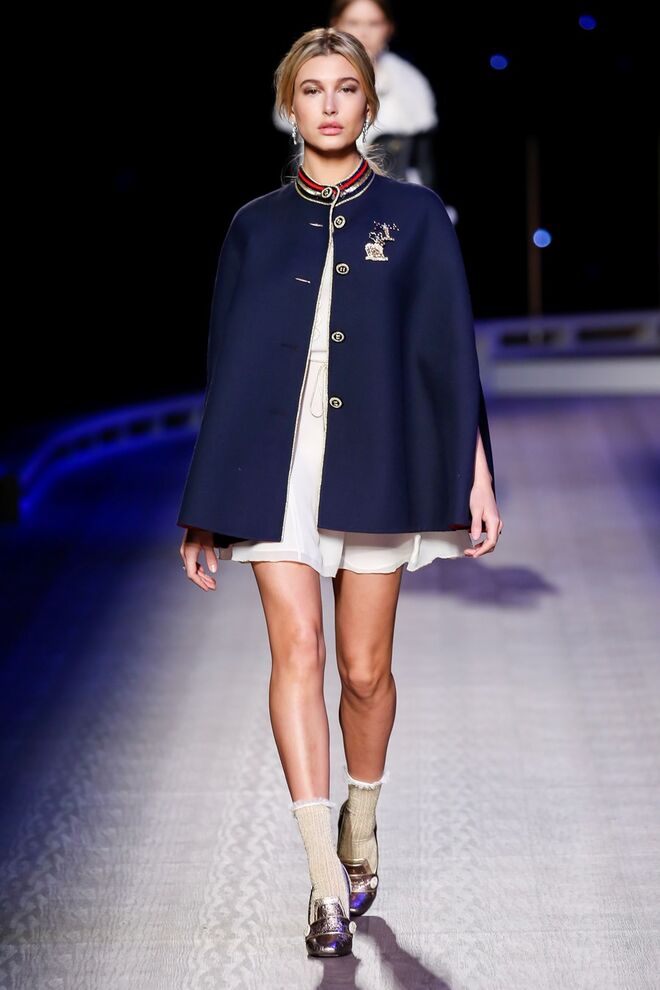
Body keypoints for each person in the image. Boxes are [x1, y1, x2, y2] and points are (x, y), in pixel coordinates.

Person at [178, 27, 502, 959]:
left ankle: (362, 818)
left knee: (363, 672)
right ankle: (325, 879)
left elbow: (448, 352)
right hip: (272, 461)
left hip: (380, 457)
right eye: (312, 89)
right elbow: (227, 369)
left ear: (369, 104)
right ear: (290, 106)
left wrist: (476, 470)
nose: (328, 104)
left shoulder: (418, 216)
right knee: (298, 651)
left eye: (345, 88)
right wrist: (206, 500)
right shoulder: (253, 225)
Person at [272, 0, 440, 187]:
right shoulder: (303, 76)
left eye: (374, 23)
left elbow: (424, 170)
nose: (363, 33)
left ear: (389, 28)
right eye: (353, 23)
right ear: (335, 24)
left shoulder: (410, 86)